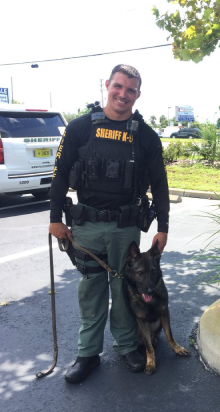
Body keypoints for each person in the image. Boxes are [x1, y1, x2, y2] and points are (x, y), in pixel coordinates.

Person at [49, 64, 169, 384]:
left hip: (125, 228)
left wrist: (164, 227)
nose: (123, 94)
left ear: (138, 94)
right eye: (118, 86)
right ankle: (87, 353)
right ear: (107, 85)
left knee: (124, 288)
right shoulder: (80, 128)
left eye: (131, 90)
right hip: (86, 224)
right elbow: (60, 175)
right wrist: (54, 219)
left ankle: (129, 346)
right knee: (91, 290)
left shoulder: (145, 135)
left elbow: (160, 184)